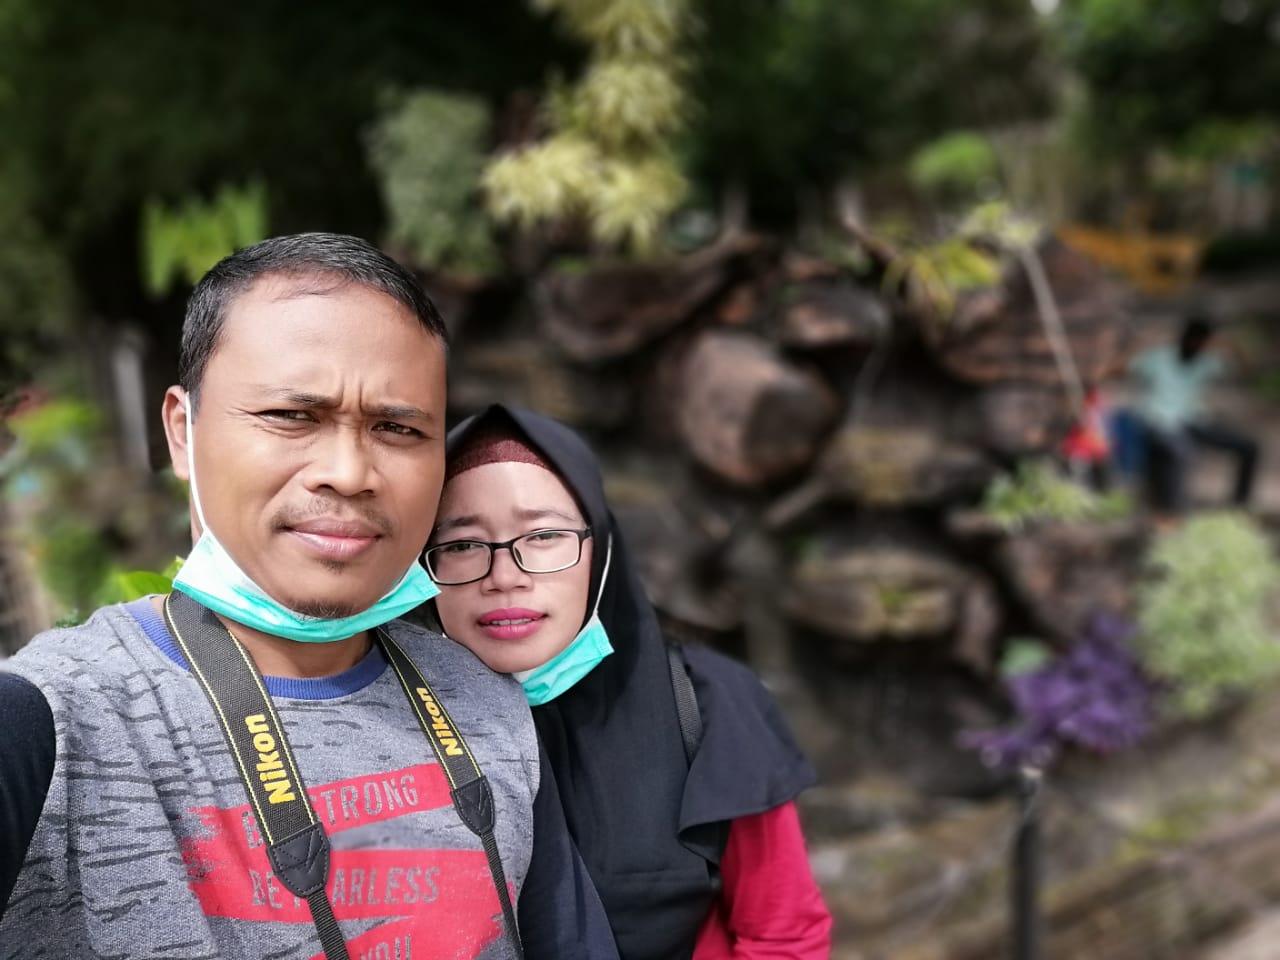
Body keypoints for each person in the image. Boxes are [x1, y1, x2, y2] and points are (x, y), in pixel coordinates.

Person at [0, 234, 615, 960]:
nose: (349, 473)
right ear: (182, 432)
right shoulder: (55, 722)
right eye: (292, 417)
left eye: (398, 427)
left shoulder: (487, 705)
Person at [423, 405, 833, 960]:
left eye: (543, 535)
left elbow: (782, 936)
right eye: (463, 545)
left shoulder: (710, 704)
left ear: (601, 550)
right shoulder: (380, 717)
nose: (504, 576)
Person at [1129, 315, 1259, 518]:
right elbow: (1123, 368)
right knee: (1182, 453)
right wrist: (1140, 343)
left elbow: (1247, 373)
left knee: (1249, 447)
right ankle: (1174, 510)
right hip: (1159, 422)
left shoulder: (1205, 361)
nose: (1195, 346)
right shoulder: (1159, 357)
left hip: (1192, 421)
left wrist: (1232, 346)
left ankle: (1238, 508)